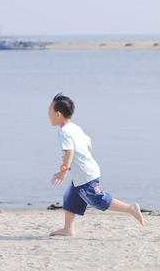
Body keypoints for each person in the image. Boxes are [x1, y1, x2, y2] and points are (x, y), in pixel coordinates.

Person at [48, 93, 144, 236]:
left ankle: (130, 208)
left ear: (58, 114)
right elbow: (89, 145)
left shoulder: (63, 132)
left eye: (49, 111)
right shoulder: (75, 128)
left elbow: (69, 152)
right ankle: (68, 229)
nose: (47, 114)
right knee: (71, 198)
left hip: (85, 174)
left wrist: (64, 170)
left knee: (95, 199)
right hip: (84, 172)